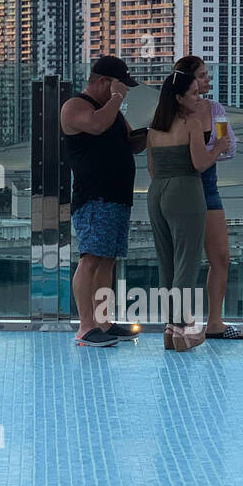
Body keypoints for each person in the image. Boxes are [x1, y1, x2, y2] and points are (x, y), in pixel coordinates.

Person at [60, 56, 145, 348]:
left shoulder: (113, 113)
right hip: (94, 197)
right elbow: (96, 126)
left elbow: (129, 141)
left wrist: (153, 132)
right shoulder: (75, 106)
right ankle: (86, 326)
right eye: (118, 86)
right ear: (101, 82)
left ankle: (103, 321)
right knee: (91, 258)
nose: (122, 93)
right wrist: (117, 98)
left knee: (107, 260)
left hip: (118, 197)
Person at [146, 57, 227, 351]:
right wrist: (217, 146)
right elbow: (200, 163)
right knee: (187, 262)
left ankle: (169, 327)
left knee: (166, 261)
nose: (198, 97)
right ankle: (183, 329)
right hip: (185, 191)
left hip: (157, 194)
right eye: (193, 93)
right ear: (179, 97)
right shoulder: (192, 124)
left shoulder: (154, 129)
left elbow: (152, 169)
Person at [183, 61, 243, 340]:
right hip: (181, 186)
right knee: (183, 259)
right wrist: (212, 149)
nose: (205, 82)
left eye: (206, 76)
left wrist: (205, 151)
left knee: (220, 256)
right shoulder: (172, 114)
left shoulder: (214, 109)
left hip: (208, 186)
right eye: (200, 77)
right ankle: (179, 322)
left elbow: (229, 147)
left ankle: (215, 322)